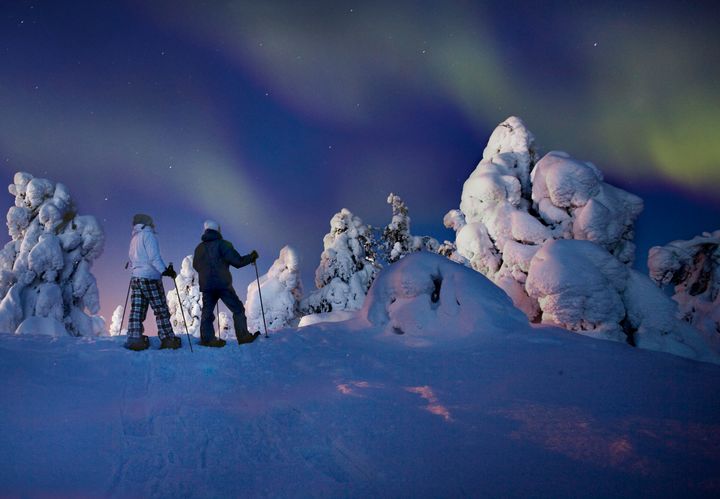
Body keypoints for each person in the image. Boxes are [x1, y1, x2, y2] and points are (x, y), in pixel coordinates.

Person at [193, 220, 260, 347]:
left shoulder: (199, 248)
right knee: (238, 309)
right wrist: (251, 257)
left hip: (207, 286)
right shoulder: (223, 244)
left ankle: (207, 339)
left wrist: (206, 273)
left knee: (207, 313)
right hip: (223, 285)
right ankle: (243, 337)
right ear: (218, 230)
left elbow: (196, 265)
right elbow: (238, 262)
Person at [124, 214, 182, 351]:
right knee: (160, 309)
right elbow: (154, 257)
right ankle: (168, 339)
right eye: (151, 222)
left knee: (137, 309)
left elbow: (131, 259)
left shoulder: (134, 238)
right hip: (150, 277)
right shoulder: (148, 236)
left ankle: (134, 338)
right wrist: (165, 271)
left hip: (136, 278)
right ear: (146, 223)